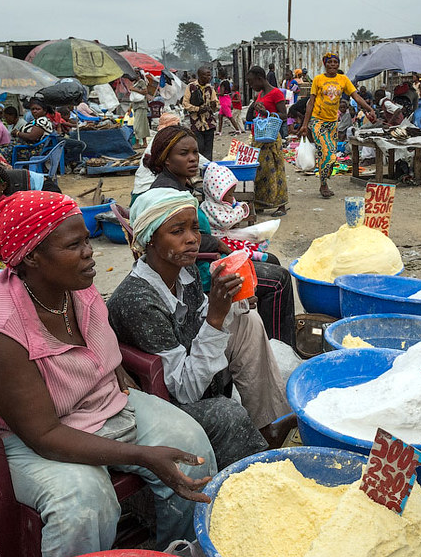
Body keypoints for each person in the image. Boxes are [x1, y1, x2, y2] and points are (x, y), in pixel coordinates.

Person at [0, 190, 215, 557]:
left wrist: (111, 366)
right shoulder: (1, 334)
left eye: (86, 240)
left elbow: (97, 339)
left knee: (191, 449)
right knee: (84, 501)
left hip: (96, 402)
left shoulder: (76, 284)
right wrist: (140, 454)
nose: (89, 252)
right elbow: (43, 436)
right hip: (16, 438)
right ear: (32, 258)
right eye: (74, 245)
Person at [108, 188, 293, 469]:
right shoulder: (138, 301)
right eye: (177, 231)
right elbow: (183, 391)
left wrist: (231, 302)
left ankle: (265, 424)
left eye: (194, 228)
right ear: (150, 240)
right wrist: (217, 318)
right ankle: (247, 460)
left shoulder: (185, 270)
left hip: (189, 368)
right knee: (228, 413)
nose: (192, 238)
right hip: (163, 398)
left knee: (247, 319)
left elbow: (199, 322)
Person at [146, 126, 296, 347]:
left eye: (195, 153)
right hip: (198, 269)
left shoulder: (180, 186)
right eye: (183, 154)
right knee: (279, 280)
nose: (192, 159)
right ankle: (279, 346)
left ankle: (266, 338)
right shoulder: (169, 194)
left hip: (202, 258)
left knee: (271, 260)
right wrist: (225, 248)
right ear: (166, 160)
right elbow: (188, 238)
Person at [300, 52, 377, 199]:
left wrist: (369, 108)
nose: (333, 65)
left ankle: (324, 177)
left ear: (338, 64)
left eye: (335, 62)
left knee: (331, 155)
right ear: (325, 64)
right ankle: (324, 185)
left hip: (333, 122)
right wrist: (305, 124)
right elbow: (311, 103)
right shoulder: (318, 79)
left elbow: (356, 96)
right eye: (330, 62)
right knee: (326, 151)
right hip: (318, 120)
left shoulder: (343, 79)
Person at [245, 66, 289, 217]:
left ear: (260, 78)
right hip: (259, 137)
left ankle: (281, 206)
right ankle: (261, 203)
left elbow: (284, 115)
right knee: (260, 172)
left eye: (251, 82)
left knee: (276, 171)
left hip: (270, 139)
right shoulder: (260, 94)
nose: (251, 86)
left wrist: (266, 113)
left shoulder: (276, 93)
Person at [183, 66, 219, 160]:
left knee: (208, 149)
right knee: (200, 147)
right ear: (200, 76)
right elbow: (185, 104)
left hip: (209, 123)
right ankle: (201, 167)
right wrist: (197, 109)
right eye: (207, 75)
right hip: (196, 124)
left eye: (209, 75)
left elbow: (216, 104)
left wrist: (213, 105)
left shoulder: (210, 88)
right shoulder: (191, 87)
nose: (209, 77)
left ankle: (207, 170)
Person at [129, 71, 157, 147]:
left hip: (141, 106)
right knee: (143, 125)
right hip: (136, 106)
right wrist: (130, 108)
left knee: (137, 125)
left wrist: (133, 89)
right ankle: (144, 142)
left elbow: (145, 91)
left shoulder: (141, 82)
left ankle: (137, 143)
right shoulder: (135, 82)